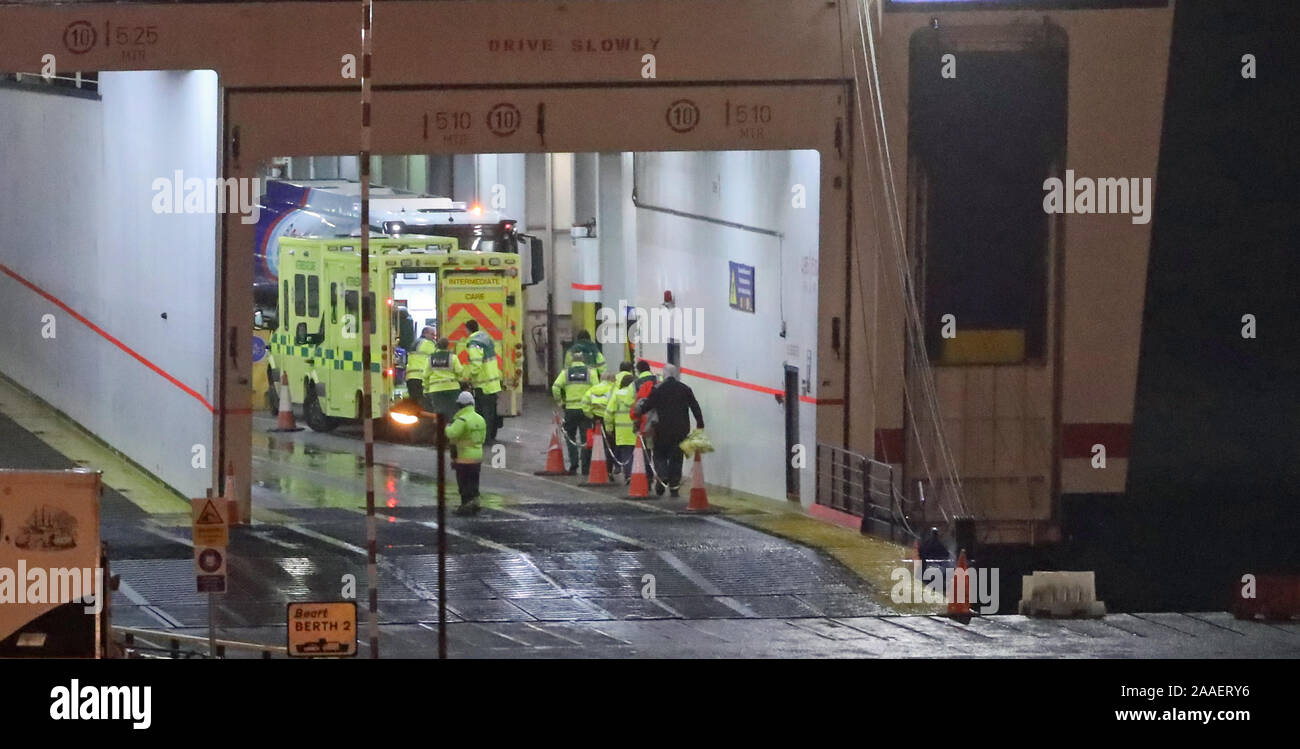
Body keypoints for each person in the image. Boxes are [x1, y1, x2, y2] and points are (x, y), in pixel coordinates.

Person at [639, 364, 703, 497]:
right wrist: (700, 422)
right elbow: (694, 406)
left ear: (664, 374)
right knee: (677, 457)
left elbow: (647, 406)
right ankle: (674, 486)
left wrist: (640, 410)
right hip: (681, 429)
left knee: (659, 454)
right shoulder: (685, 389)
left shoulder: (658, 389)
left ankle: (662, 476)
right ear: (676, 374)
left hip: (662, 429)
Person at [551, 351, 596, 475]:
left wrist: (561, 402)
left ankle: (574, 465)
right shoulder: (591, 372)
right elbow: (596, 389)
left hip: (570, 409)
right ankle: (585, 468)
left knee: (570, 437)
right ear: (583, 360)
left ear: (572, 361)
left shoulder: (565, 373)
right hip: (586, 410)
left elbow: (555, 387)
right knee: (585, 438)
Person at [445, 390, 487, 516]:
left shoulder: (462, 419)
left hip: (463, 457)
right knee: (474, 481)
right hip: (477, 456)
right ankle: (475, 503)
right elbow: (483, 438)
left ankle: (465, 505)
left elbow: (451, 433)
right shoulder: (480, 419)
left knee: (463, 482)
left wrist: (445, 426)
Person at [462, 319, 503, 443]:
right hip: (492, 384)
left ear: (467, 329)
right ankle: (488, 437)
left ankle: (483, 438)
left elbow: (476, 365)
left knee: (481, 413)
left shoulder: (474, 343)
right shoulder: (486, 339)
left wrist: (467, 377)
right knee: (490, 413)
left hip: (482, 384)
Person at [605, 369, 639, 484]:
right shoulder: (636, 394)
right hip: (635, 429)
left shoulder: (616, 394)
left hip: (621, 430)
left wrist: (609, 427)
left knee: (626, 454)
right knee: (636, 453)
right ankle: (636, 474)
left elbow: (608, 413)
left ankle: (628, 475)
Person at [580, 371, 617, 476]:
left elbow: (584, 403)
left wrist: (591, 415)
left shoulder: (593, 389)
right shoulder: (613, 389)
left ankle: (591, 467)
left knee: (595, 444)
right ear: (612, 379)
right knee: (609, 445)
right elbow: (613, 405)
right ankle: (608, 469)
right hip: (608, 420)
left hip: (596, 420)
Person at [423, 336, 463, 423]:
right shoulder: (453, 357)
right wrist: (458, 379)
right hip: (452, 389)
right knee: (452, 413)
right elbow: (460, 371)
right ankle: (451, 432)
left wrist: (426, 389)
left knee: (439, 413)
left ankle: (440, 433)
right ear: (448, 346)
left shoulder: (430, 358)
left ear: (437, 346)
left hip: (436, 390)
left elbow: (425, 375)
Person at [631, 360, 659, 485]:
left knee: (646, 452)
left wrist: (635, 420)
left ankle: (648, 477)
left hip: (644, 423)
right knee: (658, 451)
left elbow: (633, 405)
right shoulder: (658, 380)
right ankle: (660, 476)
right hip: (658, 421)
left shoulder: (635, 384)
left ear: (638, 370)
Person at [404, 325, 437, 404]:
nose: (434, 337)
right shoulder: (427, 343)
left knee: (414, 402)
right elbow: (437, 355)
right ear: (425, 333)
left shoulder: (416, 342)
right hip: (421, 378)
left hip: (411, 377)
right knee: (424, 403)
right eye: (432, 334)